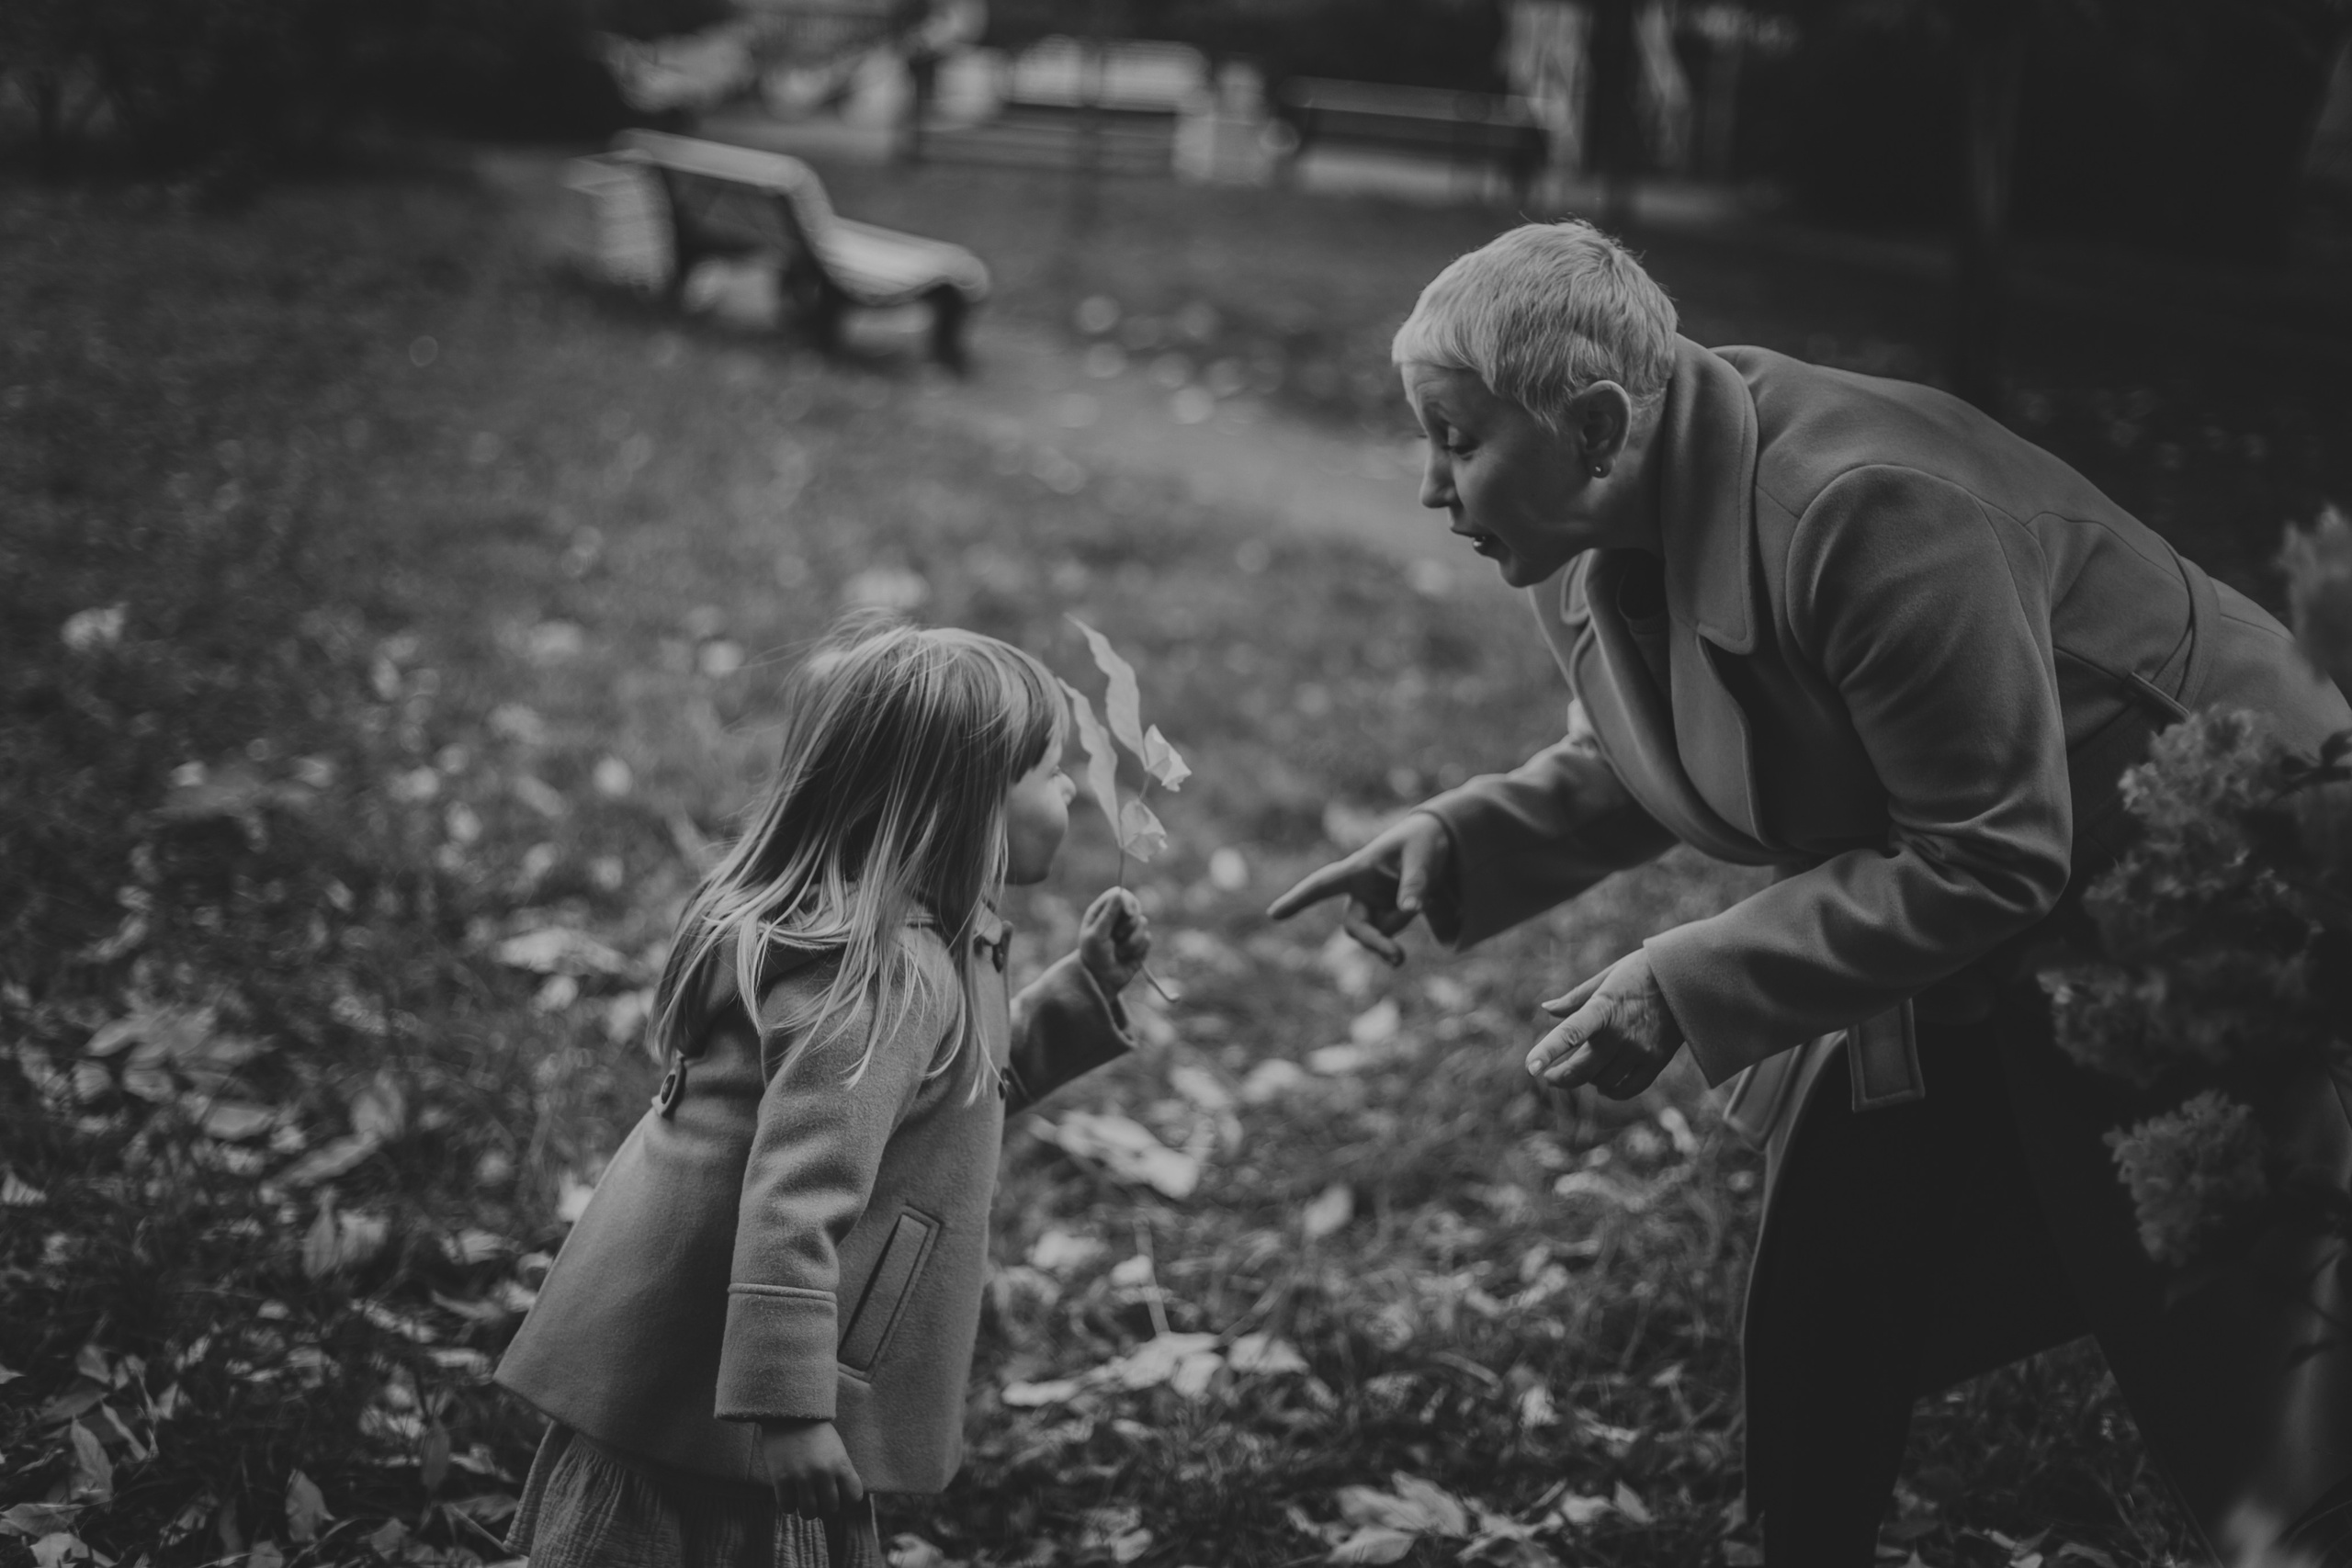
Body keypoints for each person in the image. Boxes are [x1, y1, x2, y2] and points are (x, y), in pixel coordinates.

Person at [1268, 220, 2352, 1563]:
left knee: (2241, 1349)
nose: (1433, 483)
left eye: (1457, 438)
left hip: (2223, 877)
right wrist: (1459, 836)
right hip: (2004, 909)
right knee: (1832, 1259)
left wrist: (1685, 977)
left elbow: (1992, 853)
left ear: (1598, 422)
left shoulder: (1869, 509)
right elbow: (1663, 739)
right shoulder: (1599, 527)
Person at [496, 616, 1152, 1566]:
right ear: (964, 804)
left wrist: (1083, 990)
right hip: (719, 1404)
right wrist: (790, 1409)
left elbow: (946, 1095)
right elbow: (793, 1199)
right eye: (1046, 773)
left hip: (726, 1381)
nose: (1068, 794)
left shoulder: (928, 941)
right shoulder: (880, 978)